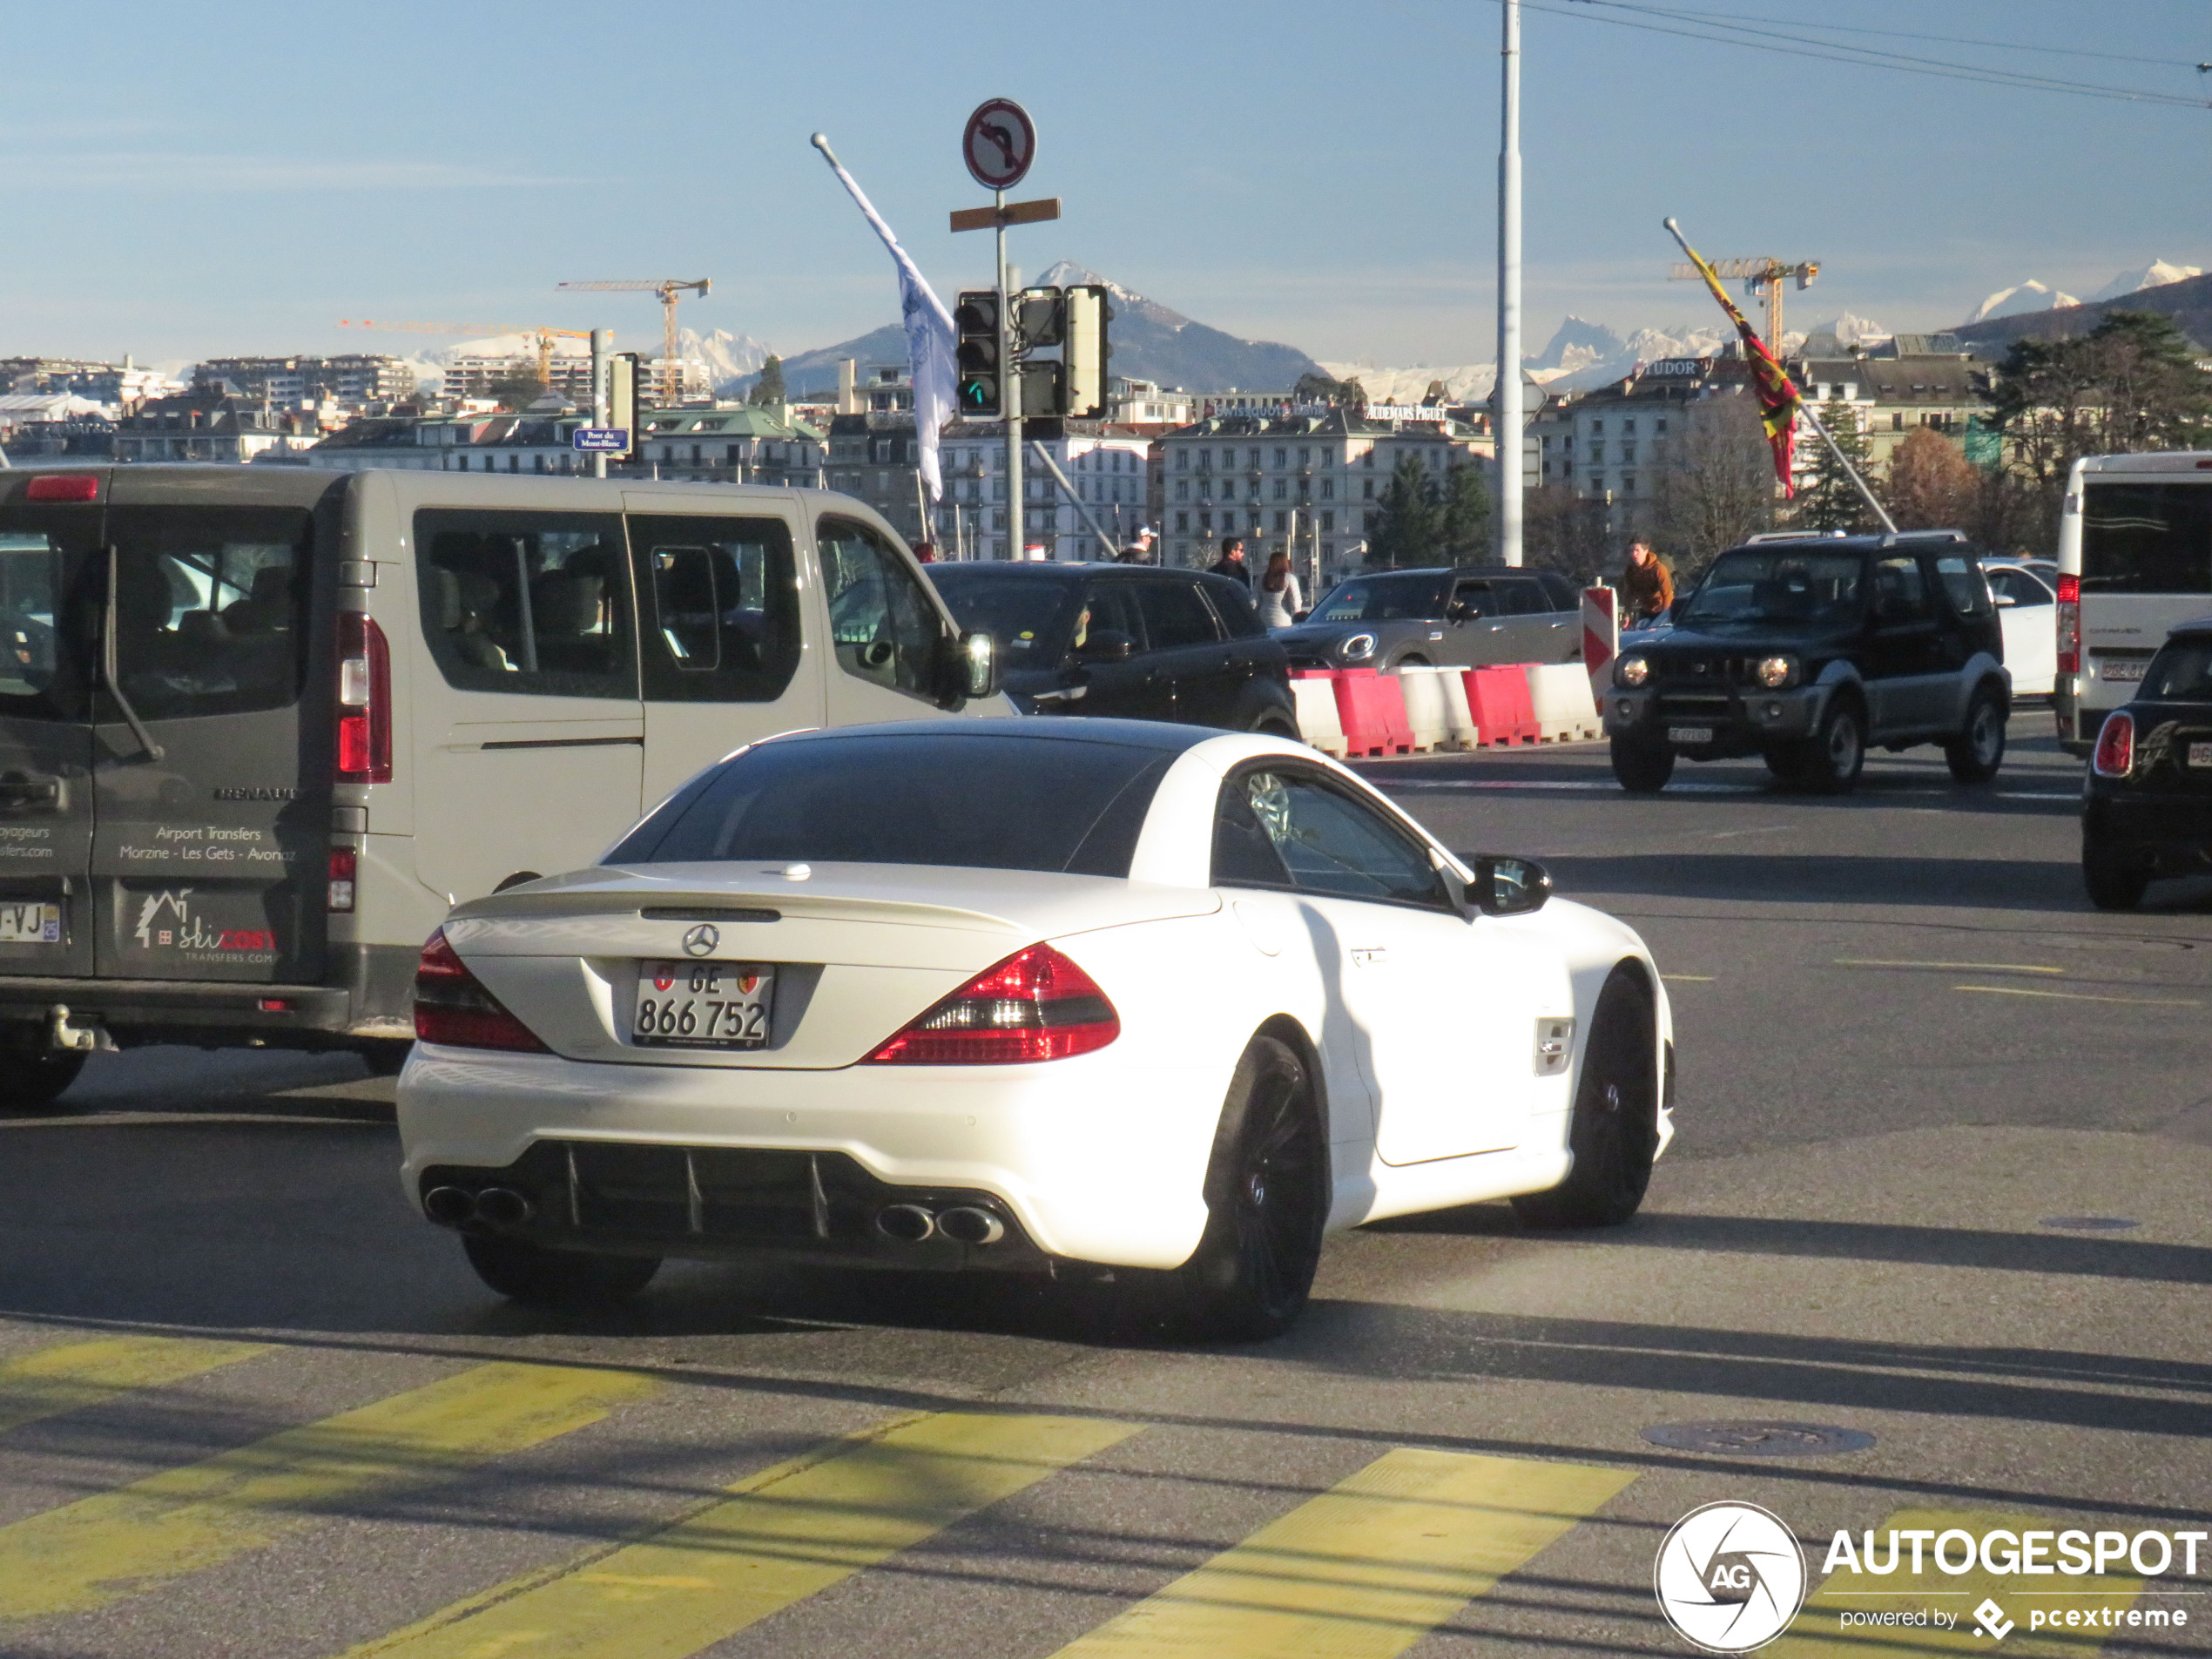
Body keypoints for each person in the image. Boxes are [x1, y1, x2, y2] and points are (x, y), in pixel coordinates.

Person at [1621, 539, 1675, 624]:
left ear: (1646, 551)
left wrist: (1665, 617)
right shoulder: (1631, 570)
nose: (1634, 554)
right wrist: (1627, 614)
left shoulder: (1658, 568)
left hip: (1660, 611)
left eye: (1637, 550)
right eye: (1631, 551)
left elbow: (1667, 594)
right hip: (1645, 610)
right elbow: (1628, 594)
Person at [1256, 551, 1304, 630]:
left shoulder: (1260, 579)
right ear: (1285, 563)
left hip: (1263, 622)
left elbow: (1254, 602)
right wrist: (1297, 618)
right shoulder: (1290, 579)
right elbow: (1295, 602)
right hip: (1284, 622)